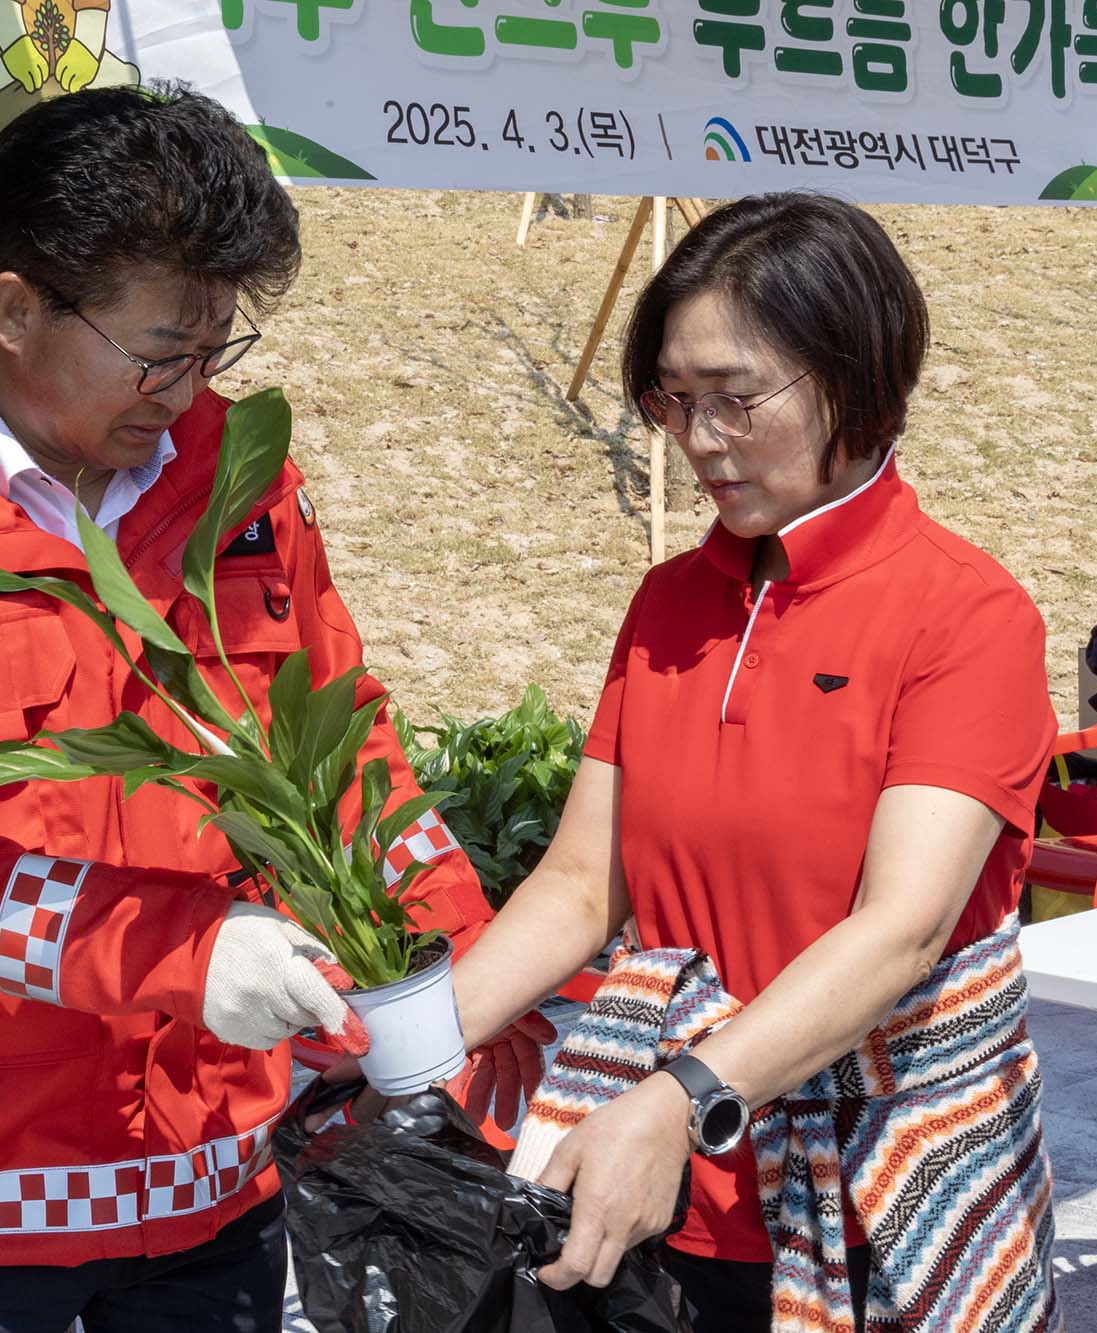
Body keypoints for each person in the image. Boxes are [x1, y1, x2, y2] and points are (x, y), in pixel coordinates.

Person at [0, 86, 541, 1332]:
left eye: (214, 349)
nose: (185, 390)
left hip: (208, 1175)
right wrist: (182, 949)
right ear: (17, 310)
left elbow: (342, 749)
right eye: (158, 351)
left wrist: (464, 968)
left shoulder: (236, 482)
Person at [448, 193, 1062, 1331]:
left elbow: (902, 930)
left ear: (857, 375)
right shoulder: (670, 603)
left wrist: (680, 1100)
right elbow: (583, 885)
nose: (700, 439)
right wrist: (413, 1041)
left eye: (735, 398)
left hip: (883, 1186)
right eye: (674, 401)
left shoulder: (962, 615)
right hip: (662, 1183)